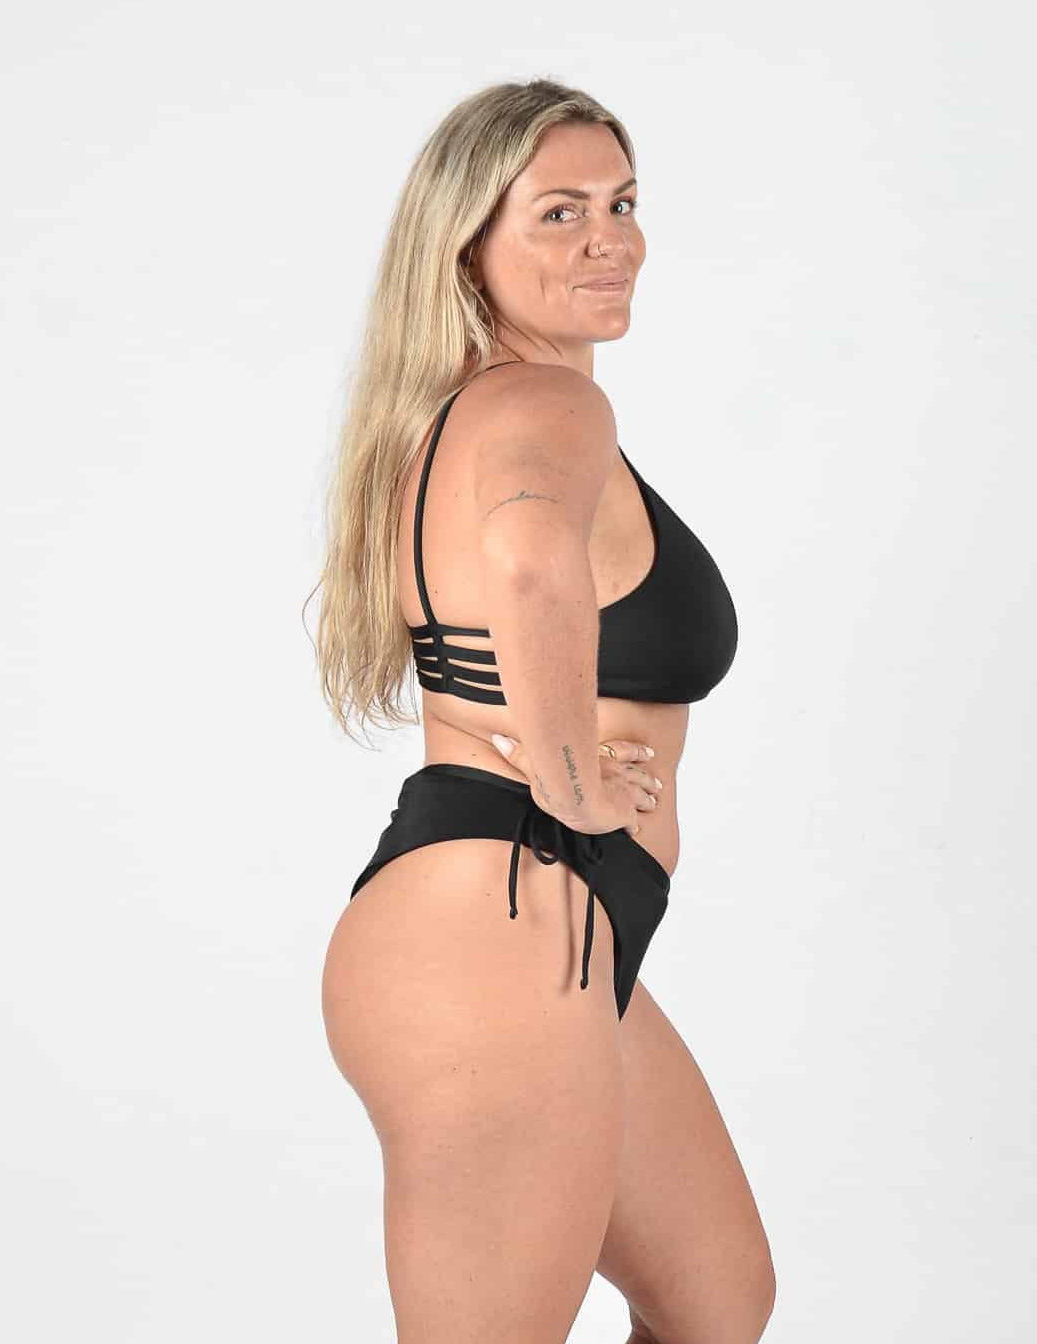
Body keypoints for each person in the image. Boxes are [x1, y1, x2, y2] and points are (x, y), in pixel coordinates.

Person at [309, 77, 775, 1344]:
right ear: (467, 243)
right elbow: (526, 557)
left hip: (540, 930)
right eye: (559, 212)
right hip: (497, 929)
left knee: (716, 1299)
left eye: (621, 204)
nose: (608, 239)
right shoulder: (546, 404)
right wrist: (574, 783)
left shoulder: (464, 410)